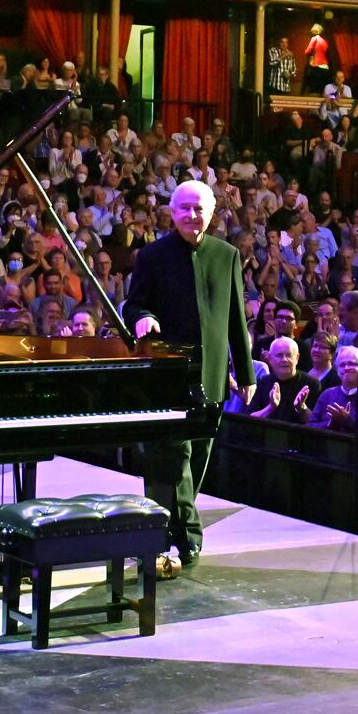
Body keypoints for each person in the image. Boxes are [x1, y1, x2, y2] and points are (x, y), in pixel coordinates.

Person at [123, 179, 254, 579]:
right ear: (171, 211)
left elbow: (236, 318)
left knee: (196, 459)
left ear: (212, 213)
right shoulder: (152, 255)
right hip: (168, 374)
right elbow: (135, 304)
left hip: (212, 373)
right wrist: (143, 317)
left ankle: (167, 530)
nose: (192, 216)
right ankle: (187, 535)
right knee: (172, 458)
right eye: (185, 208)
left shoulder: (227, 254)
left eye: (199, 209)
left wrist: (245, 372)